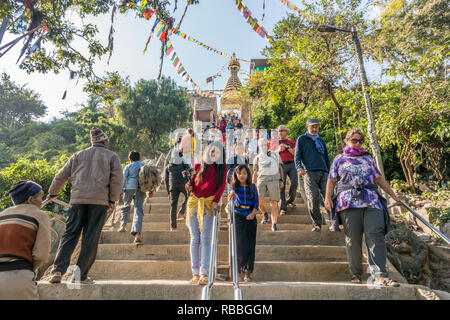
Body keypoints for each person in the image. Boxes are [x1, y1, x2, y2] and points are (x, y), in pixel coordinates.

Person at [324, 129, 401, 287]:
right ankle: (356, 273)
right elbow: (331, 180)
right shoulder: (339, 159)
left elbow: (379, 179)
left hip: (371, 200)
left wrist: (393, 195)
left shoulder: (367, 158)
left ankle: (380, 275)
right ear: (347, 141)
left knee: (376, 235)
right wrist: (327, 198)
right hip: (348, 202)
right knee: (353, 239)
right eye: (354, 140)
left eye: (361, 140)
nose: (358, 143)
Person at [48, 127, 123, 284]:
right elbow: (116, 180)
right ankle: (80, 276)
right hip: (99, 203)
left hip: (77, 201)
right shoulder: (112, 156)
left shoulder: (78, 155)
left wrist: (53, 193)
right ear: (105, 141)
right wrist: (112, 200)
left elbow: (61, 175)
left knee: (70, 235)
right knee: (90, 238)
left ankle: (58, 271)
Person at [0, 181, 51, 300]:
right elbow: (41, 256)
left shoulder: (1, 215)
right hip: (19, 280)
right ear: (30, 199)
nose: (42, 200)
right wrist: (27, 269)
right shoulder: (39, 216)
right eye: (41, 196)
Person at [185, 142, 227, 285]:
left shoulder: (223, 167)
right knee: (194, 238)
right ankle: (195, 273)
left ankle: (204, 273)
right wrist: (188, 185)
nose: (214, 155)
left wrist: (216, 200)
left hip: (209, 204)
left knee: (205, 238)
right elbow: (190, 182)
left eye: (217, 153)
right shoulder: (198, 165)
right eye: (212, 152)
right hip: (194, 203)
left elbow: (221, 186)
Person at [295, 118, 331, 232]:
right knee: (313, 197)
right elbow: (297, 156)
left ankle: (334, 222)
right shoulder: (302, 139)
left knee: (329, 196)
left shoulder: (321, 140)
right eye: (312, 127)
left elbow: (326, 157)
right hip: (309, 172)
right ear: (307, 127)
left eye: (316, 126)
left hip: (324, 171)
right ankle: (317, 224)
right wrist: (299, 167)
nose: (315, 129)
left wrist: (330, 172)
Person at [228, 165, 258, 282]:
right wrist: (232, 194)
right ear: (236, 175)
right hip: (238, 216)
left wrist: (253, 213)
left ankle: (248, 272)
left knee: (250, 245)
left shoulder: (253, 187)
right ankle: (238, 271)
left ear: (248, 175)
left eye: (244, 173)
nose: (242, 175)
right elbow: (232, 193)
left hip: (251, 217)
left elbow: (256, 203)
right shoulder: (234, 188)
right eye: (239, 173)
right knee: (239, 245)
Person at [253, 138, 284, 232]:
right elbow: (255, 172)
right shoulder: (257, 157)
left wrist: (281, 180)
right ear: (259, 146)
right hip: (261, 179)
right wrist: (252, 185)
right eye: (261, 145)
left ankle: (274, 224)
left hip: (274, 178)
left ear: (268, 145)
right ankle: (265, 214)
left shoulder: (275, 154)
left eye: (265, 144)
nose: (263, 146)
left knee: (274, 202)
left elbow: (280, 168)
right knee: (259, 201)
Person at [118, 151, 145, 244]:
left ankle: (123, 226)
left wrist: (120, 194)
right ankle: (137, 234)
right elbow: (149, 178)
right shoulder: (143, 165)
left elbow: (123, 179)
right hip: (140, 188)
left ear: (130, 159)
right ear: (139, 158)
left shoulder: (128, 166)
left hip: (129, 187)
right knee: (138, 210)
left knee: (126, 206)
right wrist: (151, 191)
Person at [164, 149, 190, 231]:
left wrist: (168, 192)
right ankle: (182, 212)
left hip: (173, 187)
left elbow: (166, 180)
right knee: (189, 197)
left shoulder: (168, 166)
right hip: (184, 185)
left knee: (173, 206)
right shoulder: (184, 163)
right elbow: (189, 174)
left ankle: (173, 226)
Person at [276, 125, 298, 215]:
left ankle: (290, 200)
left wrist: (287, 147)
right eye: (279, 131)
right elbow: (270, 154)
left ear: (286, 132)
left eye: (282, 131)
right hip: (280, 165)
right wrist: (279, 149)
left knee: (294, 182)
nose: (280, 132)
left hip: (292, 164)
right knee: (282, 186)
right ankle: (283, 208)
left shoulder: (292, 142)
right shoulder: (274, 142)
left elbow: (295, 154)